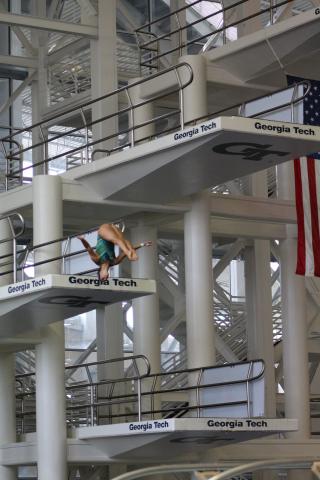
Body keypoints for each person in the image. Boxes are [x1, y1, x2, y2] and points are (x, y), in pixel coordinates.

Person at [78, 223, 152, 280]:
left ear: (99, 273)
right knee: (121, 241)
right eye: (106, 279)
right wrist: (142, 245)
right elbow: (124, 254)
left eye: (103, 278)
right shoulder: (114, 262)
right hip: (114, 230)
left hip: (103, 231)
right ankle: (129, 253)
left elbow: (88, 248)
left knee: (117, 241)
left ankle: (129, 254)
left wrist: (82, 239)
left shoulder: (97, 260)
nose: (106, 278)